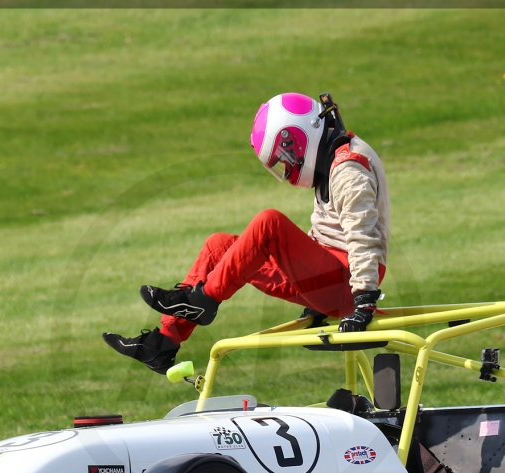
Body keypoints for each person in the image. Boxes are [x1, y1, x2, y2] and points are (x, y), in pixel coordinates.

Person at [103, 92, 390, 374]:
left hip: (349, 286)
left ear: (299, 137)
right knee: (218, 246)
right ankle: (162, 344)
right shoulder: (331, 159)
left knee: (270, 223)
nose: (289, 168)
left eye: (287, 157)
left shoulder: (348, 169)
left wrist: (364, 301)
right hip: (328, 279)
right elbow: (327, 234)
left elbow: (363, 237)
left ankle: (203, 300)